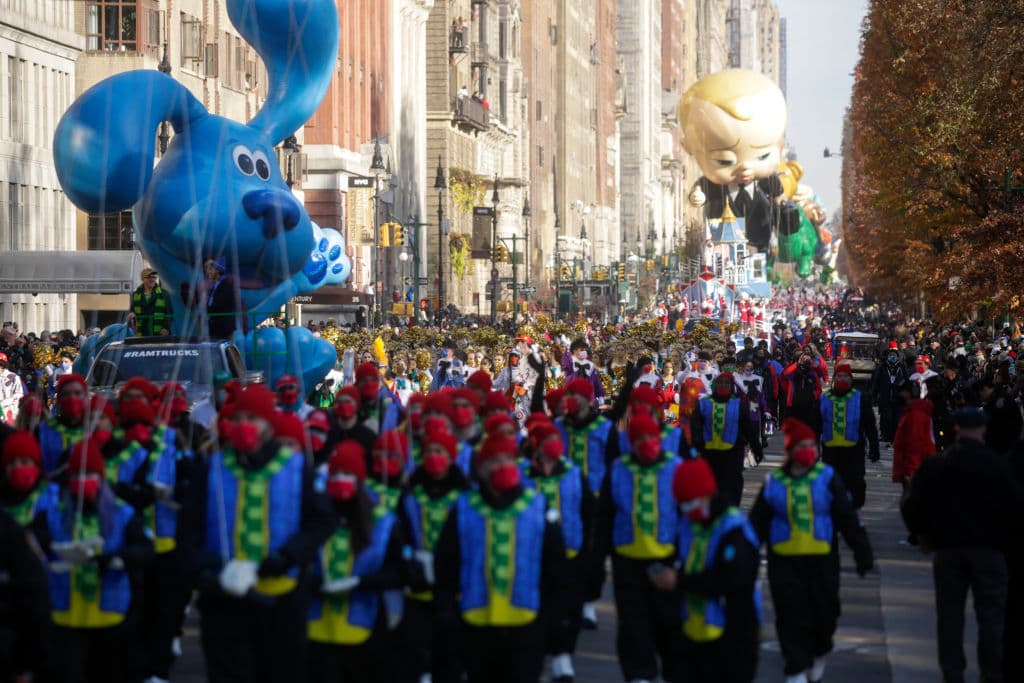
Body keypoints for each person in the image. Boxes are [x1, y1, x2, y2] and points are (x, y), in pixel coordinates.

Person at [178, 384, 335, 682]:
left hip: (281, 598)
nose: (244, 426)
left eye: (253, 419)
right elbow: (188, 530)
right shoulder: (211, 469)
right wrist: (206, 572)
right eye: (239, 419)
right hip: (224, 599)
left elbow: (323, 521)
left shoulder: (296, 468)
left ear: (267, 426)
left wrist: (287, 557)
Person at [433, 434, 568, 683]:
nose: (501, 465)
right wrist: (446, 611)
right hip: (475, 621)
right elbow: (446, 564)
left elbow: (555, 568)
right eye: (494, 460)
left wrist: (552, 622)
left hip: (526, 622)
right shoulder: (464, 507)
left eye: (507, 459)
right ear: (481, 467)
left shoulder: (537, 506)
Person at [749, 418, 874, 683]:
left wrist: (862, 552)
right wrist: (744, 558)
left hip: (822, 560)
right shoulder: (774, 482)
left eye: (811, 445)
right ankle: (795, 666)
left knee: (824, 611)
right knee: (790, 612)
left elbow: (847, 517)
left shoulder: (827, 478)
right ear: (791, 450)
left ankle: (820, 650)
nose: (808, 450)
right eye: (802, 445)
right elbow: (756, 524)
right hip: (784, 560)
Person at [901, 406, 1019, 683]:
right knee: (991, 617)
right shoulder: (1000, 466)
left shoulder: (937, 465)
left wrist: (923, 535)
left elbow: (912, 506)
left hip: (948, 550)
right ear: (983, 430)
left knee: (950, 615)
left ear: (955, 430)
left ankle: (952, 673)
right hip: (990, 551)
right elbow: (1015, 508)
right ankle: (991, 672)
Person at [46, 439, 155, 683]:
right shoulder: (55, 511)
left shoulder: (122, 512)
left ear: (102, 476)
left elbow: (145, 550)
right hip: (66, 618)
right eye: (78, 474)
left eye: (91, 473)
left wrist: (117, 559)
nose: (84, 480)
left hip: (110, 617)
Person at [650, 457, 761, 683]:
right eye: (683, 502)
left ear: (708, 493)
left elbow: (732, 579)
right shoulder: (686, 525)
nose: (687, 507)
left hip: (731, 637)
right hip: (691, 634)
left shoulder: (734, 529)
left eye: (691, 500)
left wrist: (680, 580)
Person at [307, 440, 407, 683]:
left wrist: (359, 582)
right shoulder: (314, 516)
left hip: (367, 628)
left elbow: (399, 572)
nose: (341, 479)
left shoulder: (383, 522)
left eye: (348, 474)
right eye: (337, 473)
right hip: (317, 630)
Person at [595, 413, 683, 683]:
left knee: (668, 622)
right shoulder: (619, 469)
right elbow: (605, 515)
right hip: (628, 560)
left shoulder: (676, 467)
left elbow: (687, 517)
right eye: (640, 438)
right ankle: (638, 674)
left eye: (650, 437)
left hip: (666, 560)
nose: (646, 442)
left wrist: (682, 562)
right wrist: (599, 556)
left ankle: (671, 671)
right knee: (633, 623)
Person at [396, 429, 470, 683]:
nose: (433, 457)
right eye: (429, 452)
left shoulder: (464, 494)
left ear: (450, 457)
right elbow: (400, 532)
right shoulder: (411, 490)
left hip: (451, 587)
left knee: (448, 652)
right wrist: (409, 558)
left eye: (439, 452)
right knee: (414, 648)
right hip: (416, 584)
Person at [690, 372, 763, 506]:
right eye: (721, 382)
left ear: (731, 386)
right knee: (711, 486)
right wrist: (696, 445)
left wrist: (756, 448)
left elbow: (748, 428)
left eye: (727, 383)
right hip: (709, 453)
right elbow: (695, 427)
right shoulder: (704, 403)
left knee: (732, 485)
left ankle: (731, 512)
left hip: (733, 453)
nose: (723, 385)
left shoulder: (739, 404)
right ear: (716, 384)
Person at [817, 361, 879, 510]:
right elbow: (815, 424)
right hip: (830, 451)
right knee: (831, 485)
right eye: (839, 376)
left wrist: (874, 448)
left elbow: (870, 425)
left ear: (851, 379)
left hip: (854, 450)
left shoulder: (860, 398)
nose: (842, 379)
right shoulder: (824, 398)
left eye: (846, 376)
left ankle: (853, 511)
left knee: (855, 484)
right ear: (834, 378)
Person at [129, 267, 171, 336]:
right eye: (149, 277)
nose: (152, 279)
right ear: (143, 279)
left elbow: (169, 313)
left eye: (154, 277)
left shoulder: (164, 294)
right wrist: (131, 314)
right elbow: (132, 311)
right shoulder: (135, 295)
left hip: (159, 333)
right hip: (141, 333)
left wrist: (166, 328)